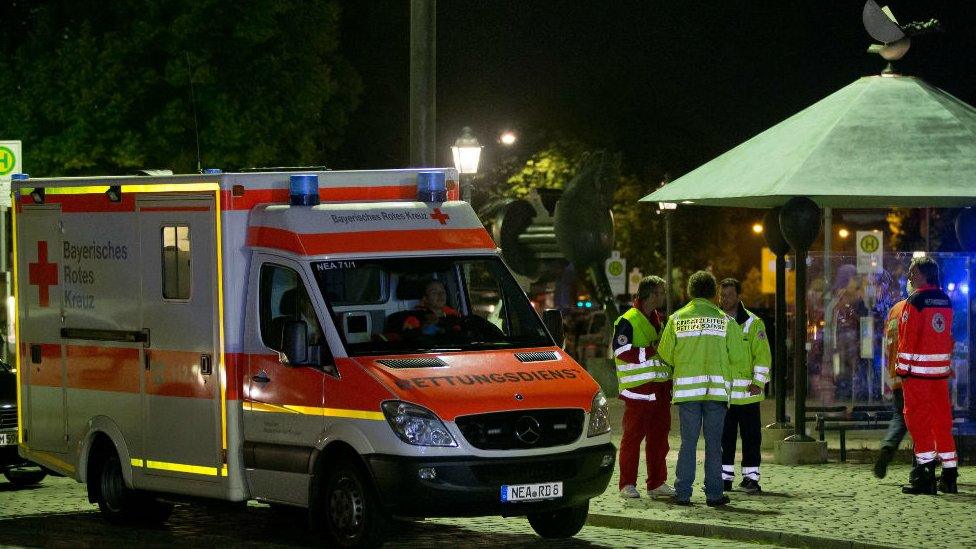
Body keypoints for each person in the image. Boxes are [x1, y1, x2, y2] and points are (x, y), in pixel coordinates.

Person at [657, 271, 739, 507]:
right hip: (716, 393)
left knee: (688, 442)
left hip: (687, 394)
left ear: (691, 292)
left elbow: (665, 354)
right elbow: (735, 356)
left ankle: (683, 493)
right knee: (714, 444)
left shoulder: (676, 319)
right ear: (714, 293)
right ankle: (714, 494)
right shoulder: (726, 321)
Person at [896, 257, 958, 494]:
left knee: (919, 423)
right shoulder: (945, 300)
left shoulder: (915, 301)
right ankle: (950, 475)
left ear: (923, 275)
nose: (909, 276)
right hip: (940, 375)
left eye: (913, 272)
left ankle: (925, 477)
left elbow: (908, 339)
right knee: (942, 422)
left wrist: (902, 370)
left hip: (918, 375)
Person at [611, 276, 674, 499]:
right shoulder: (627, 320)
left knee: (659, 440)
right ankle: (626, 484)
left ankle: (656, 483)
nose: (663, 296)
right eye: (660, 292)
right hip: (637, 391)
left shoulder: (659, 319)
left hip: (659, 390)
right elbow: (620, 352)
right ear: (650, 295)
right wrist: (650, 350)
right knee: (632, 439)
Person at [718, 278, 772, 494]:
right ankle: (724, 479)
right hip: (725, 394)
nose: (724, 299)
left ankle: (751, 479)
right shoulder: (717, 321)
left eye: (729, 295)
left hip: (748, 394)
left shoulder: (753, 322)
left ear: (739, 296)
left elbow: (763, 356)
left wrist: (758, 382)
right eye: (722, 295)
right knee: (724, 439)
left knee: (751, 439)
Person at [873, 296, 909, 479]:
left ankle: (887, 447)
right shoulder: (918, 307)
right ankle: (923, 466)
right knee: (922, 421)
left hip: (896, 373)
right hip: (916, 375)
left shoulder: (894, 309)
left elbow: (886, 342)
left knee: (899, 416)